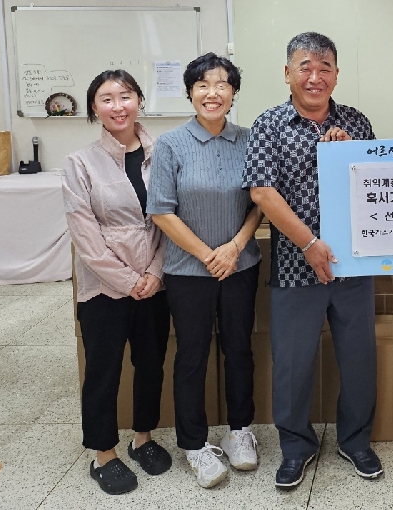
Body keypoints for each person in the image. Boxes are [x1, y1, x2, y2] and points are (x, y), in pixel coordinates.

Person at [243, 31, 382, 490]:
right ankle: (296, 447)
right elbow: (263, 191)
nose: (315, 76)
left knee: (359, 358)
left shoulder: (357, 123)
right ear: (287, 73)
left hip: (353, 265)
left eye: (325, 68)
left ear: (337, 75)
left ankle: (356, 440)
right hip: (295, 266)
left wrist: (349, 155)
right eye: (305, 66)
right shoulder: (268, 125)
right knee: (292, 363)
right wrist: (308, 243)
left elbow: (378, 185)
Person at [148, 53, 263, 489]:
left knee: (240, 349)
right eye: (202, 85)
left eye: (221, 85)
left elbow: (258, 202)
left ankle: (240, 432)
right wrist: (207, 254)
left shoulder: (250, 140)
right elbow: (161, 211)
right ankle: (194, 445)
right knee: (192, 356)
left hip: (241, 264)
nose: (212, 93)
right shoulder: (171, 145)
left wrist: (233, 248)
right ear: (190, 92)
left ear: (233, 93)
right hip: (186, 271)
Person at [63, 70, 172, 495]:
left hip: (155, 283)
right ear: (94, 108)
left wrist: (155, 274)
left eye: (125, 96)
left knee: (150, 363)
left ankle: (142, 437)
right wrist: (129, 280)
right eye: (106, 98)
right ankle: (103, 453)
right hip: (105, 288)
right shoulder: (79, 163)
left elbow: (171, 221)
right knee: (103, 371)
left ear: (139, 100)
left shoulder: (162, 153)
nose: (117, 106)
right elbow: (85, 236)